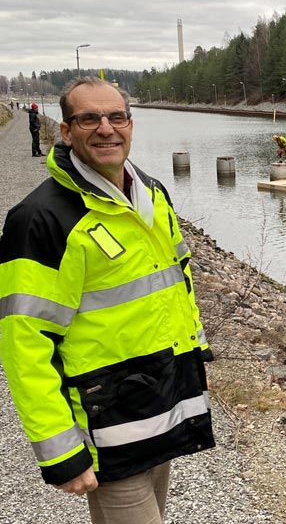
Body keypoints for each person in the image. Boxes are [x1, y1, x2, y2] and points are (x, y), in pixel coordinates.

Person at [0, 76, 215, 523]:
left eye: (117, 116)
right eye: (89, 118)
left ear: (131, 125)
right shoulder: (41, 219)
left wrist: (194, 356)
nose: (106, 128)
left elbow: (178, 279)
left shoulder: (152, 194)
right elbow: (24, 343)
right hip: (107, 420)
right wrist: (59, 449)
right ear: (65, 130)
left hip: (160, 401)